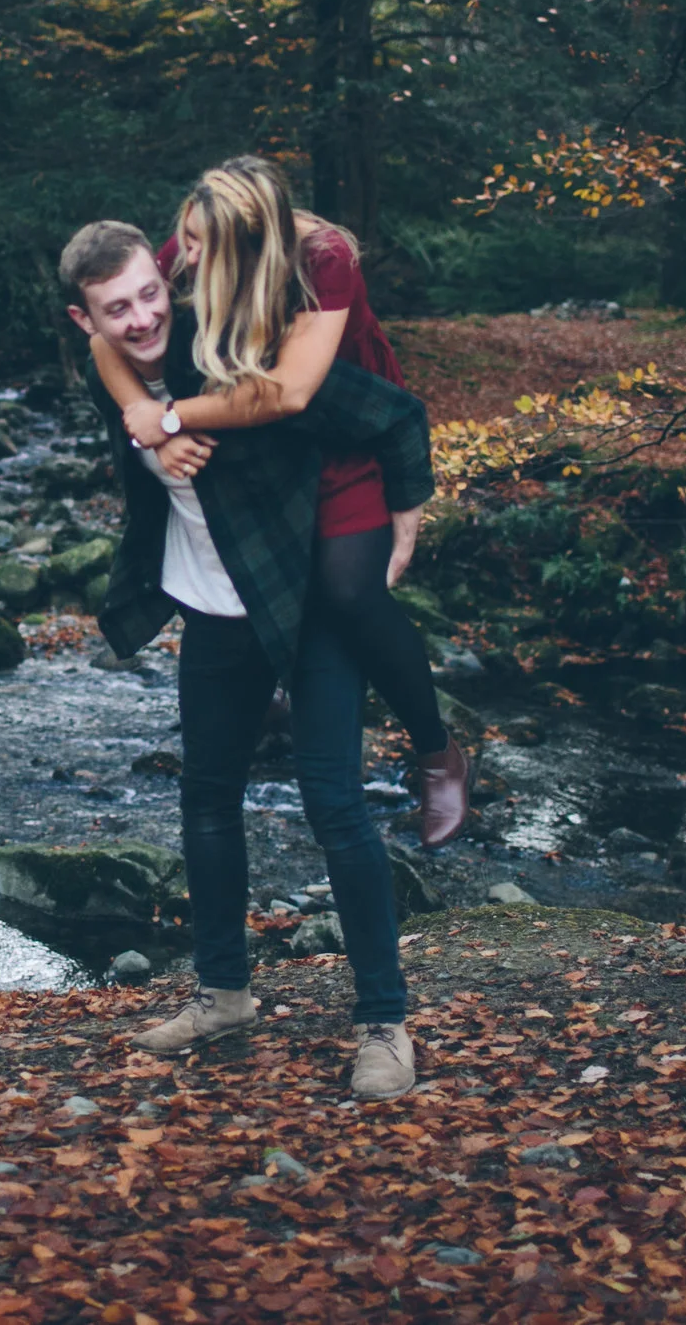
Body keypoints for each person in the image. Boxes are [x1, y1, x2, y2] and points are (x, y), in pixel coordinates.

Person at [59, 218, 430, 1100]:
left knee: (335, 802)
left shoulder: (233, 352)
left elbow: (386, 410)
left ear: (166, 274)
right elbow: (124, 387)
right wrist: (144, 424)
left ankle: (385, 1020)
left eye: (151, 292)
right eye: (118, 310)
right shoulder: (107, 367)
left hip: (302, 595)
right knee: (207, 797)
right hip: (214, 607)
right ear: (87, 322)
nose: (144, 317)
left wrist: (405, 514)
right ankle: (224, 994)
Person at [88, 157, 475, 849]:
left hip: (346, 431)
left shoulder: (324, 262)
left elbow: (292, 391)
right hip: (262, 439)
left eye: (206, 246)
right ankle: (267, 683)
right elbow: (104, 336)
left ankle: (436, 750)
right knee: (249, 560)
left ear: (256, 248)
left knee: (350, 589)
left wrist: (172, 418)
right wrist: (140, 411)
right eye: (188, 235)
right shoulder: (190, 245)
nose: (187, 256)